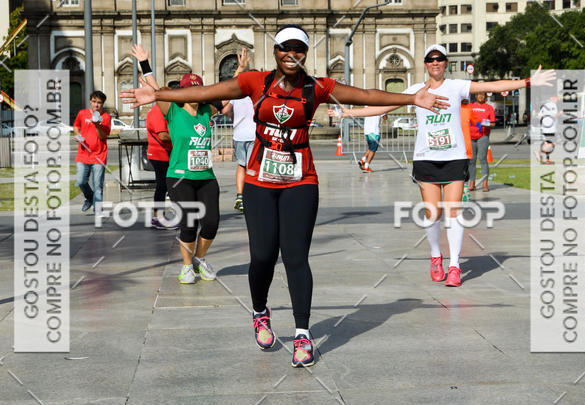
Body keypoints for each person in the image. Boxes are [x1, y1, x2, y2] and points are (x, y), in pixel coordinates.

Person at [121, 26, 450, 367]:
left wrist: (411, 98)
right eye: (285, 48)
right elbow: (206, 91)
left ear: (305, 53)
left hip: (300, 181)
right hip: (260, 182)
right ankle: (260, 311)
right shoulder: (254, 82)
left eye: (299, 49)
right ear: (275, 50)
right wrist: (158, 95)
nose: (291, 54)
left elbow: (365, 94)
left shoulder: (317, 86)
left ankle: (303, 333)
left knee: (295, 258)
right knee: (262, 256)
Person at [341, 44, 554, 287]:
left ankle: (454, 265)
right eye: (431, 59)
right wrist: (351, 113)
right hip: (426, 158)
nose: (435, 63)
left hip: (454, 157)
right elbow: (384, 105)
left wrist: (527, 82)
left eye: (440, 59)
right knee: (433, 213)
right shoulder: (415, 90)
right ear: (425, 64)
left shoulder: (457, 86)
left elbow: (491, 86)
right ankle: (435, 255)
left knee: (454, 212)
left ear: (446, 63)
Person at [132, 46, 221, 284]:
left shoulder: (206, 112)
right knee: (189, 223)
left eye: (197, 89)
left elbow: (228, 95)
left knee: (211, 222)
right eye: (188, 89)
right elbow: (156, 90)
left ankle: (199, 260)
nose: (193, 93)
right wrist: (145, 63)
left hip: (206, 177)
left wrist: (242, 69)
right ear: (181, 91)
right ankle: (186, 267)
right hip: (180, 176)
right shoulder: (172, 109)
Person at [221, 50, 256, 213]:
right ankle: (254, 196)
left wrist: (240, 70)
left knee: (242, 165)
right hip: (256, 135)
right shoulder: (261, 95)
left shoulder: (238, 95)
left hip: (239, 135)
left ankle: (240, 197)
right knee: (254, 166)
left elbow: (225, 109)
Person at [145, 81, 179, 228]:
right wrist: (181, 138)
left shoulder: (164, 110)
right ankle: (158, 217)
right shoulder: (157, 112)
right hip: (160, 155)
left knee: (166, 186)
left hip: (165, 154)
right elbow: (163, 135)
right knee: (163, 186)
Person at [73, 90, 112, 212]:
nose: (96, 105)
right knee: (80, 181)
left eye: (99, 103)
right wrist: (78, 135)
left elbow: (102, 136)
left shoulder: (106, 117)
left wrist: (97, 124)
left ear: (102, 104)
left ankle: (98, 210)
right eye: (94, 101)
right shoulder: (82, 113)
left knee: (98, 185)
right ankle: (89, 198)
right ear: (90, 101)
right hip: (83, 154)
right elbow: (76, 126)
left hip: (99, 155)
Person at [468, 89, 496, 192]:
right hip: (470, 136)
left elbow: (493, 124)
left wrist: (486, 124)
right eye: (478, 95)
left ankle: (485, 184)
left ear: (485, 96)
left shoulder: (489, 108)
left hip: (483, 136)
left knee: (483, 159)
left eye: (482, 95)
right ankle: (472, 183)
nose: (480, 97)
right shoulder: (470, 106)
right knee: (471, 161)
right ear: (475, 96)